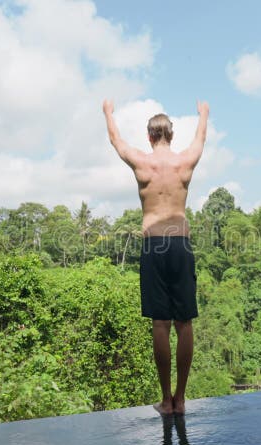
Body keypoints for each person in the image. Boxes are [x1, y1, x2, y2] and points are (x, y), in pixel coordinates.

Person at [102, 99, 208, 416]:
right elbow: (201, 138)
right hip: (179, 243)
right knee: (184, 322)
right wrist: (204, 114)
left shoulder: (141, 164)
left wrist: (108, 112)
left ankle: (166, 400)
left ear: (149, 137)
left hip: (153, 244)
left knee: (160, 324)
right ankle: (181, 398)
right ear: (171, 137)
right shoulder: (185, 162)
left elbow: (116, 141)